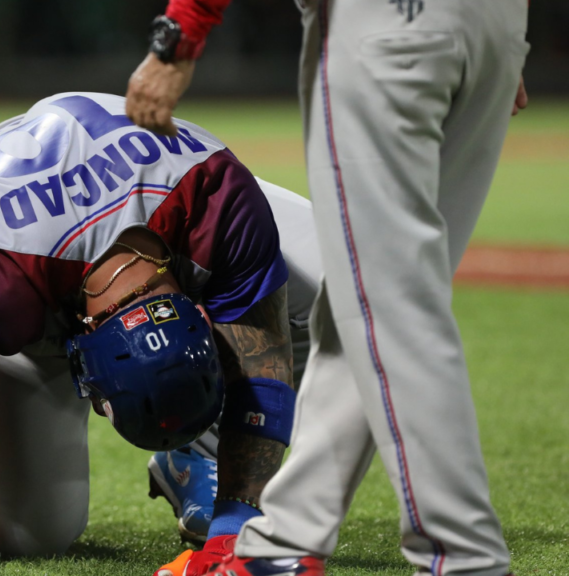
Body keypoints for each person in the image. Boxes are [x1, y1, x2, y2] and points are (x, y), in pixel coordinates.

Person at [0, 92, 322, 563]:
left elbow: (262, 359)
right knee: (30, 534)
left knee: (347, 285)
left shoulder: (220, 200)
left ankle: (201, 454)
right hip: (19, 258)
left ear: (197, 306)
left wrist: (236, 524)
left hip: (168, 187)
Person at [126, 1, 530, 575]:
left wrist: (180, 34)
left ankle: (463, 558)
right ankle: (281, 545)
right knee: (357, 304)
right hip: (495, 24)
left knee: (389, 307)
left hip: (388, 25)